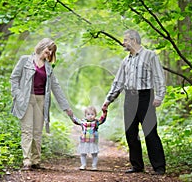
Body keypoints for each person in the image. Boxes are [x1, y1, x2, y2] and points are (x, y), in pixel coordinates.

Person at [102, 29, 166, 175]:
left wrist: (159, 96)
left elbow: (159, 77)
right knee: (130, 132)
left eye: (125, 40)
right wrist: (108, 100)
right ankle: (137, 166)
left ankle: (159, 167)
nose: (123, 43)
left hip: (146, 97)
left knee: (150, 132)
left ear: (133, 40)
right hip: (129, 98)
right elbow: (118, 82)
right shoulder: (125, 61)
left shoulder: (150, 56)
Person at [10, 38, 73, 171]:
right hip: (26, 100)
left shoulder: (49, 67)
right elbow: (14, 78)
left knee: (37, 132)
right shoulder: (25, 60)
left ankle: (35, 161)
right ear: (42, 46)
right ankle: (26, 161)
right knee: (27, 130)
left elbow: (56, 87)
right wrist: (18, 95)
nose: (50, 53)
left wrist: (66, 107)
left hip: (41, 100)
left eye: (52, 51)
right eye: (49, 49)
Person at [68, 106, 107, 171]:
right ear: (85, 115)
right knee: (83, 153)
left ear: (95, 115)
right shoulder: (83, 122)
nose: (90, 116)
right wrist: (71, 115)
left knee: (94, 153)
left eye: (92, 114)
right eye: (88, 114)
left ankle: (94, 166)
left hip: (93, 140)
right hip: (84, 140)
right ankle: (83, 165)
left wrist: (104, 112)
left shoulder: (96, 122)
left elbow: (102, 119)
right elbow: (75, 120)